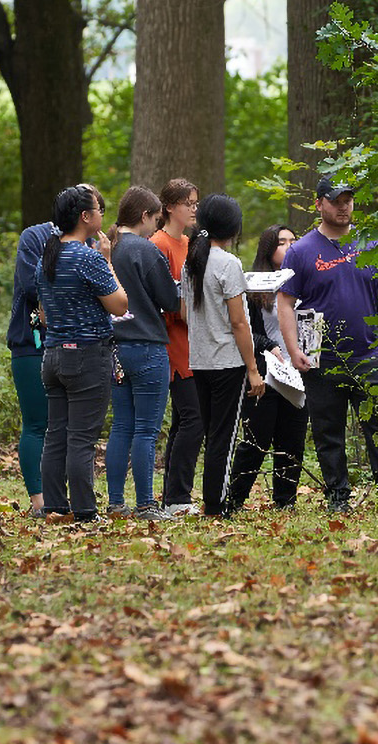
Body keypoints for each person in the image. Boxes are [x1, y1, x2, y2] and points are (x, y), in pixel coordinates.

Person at [277, 177, 378, 513]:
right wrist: (294, 350)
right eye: (336, 200)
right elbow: (285, 302)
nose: (343, 206)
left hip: (370, 355)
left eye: (348, 199)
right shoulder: (300, 251)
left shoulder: (371, 243)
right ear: (319, 203)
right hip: (323, 360)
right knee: (327, 433)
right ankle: (338, 496)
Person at [35, 184, 128, 522]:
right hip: (87, 355)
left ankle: (55, 507)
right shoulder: (88, 258)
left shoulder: (48, 255)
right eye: (98, 210)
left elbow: (43, 314)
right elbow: (119, 305)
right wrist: (106, 259)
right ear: (86, 217)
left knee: (56, 433)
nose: (103, 215)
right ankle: (86, 511)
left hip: (53, 354)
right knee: (82, 438)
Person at [177, 195, 266, 517]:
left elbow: (186, 312)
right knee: (224, 437)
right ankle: (216, 504)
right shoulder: (228, 263)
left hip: (199, 360)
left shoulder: (192, 261)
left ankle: (212, 498)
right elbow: (240, 322)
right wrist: (253, 369)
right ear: (233, 227)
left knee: (212, 433)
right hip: (227, 361)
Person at [106, 186, 180, 520]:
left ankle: (116, 502)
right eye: (155, 220)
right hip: (147, 345)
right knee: (146, 430)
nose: (156, 228)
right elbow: (169, 299)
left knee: (121, 425)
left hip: (115, 348)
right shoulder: (144, 250)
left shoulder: (108, 249)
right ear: (144, 216)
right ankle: (147, 504)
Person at [227, 224, 306, 513]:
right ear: (268, 248)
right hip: (264, 371)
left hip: (298, 373)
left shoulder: (304, 280)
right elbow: (244, 328)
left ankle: (285, 501)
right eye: (281, 242)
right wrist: (269, 345)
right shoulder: (253, 285)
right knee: (256, 440)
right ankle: (234, 500)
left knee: (293, 440)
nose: (288, 247)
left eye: (292, 241)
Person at [150, 179, 201, 519]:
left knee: (187, 419)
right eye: (188, 203)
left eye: (196, 203)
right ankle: (177, 495)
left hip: (196, 341)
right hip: (174, 342)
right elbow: (166, 299)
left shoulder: (190, 243)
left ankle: (174, 495)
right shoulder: (159, 244)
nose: (194, 209)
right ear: (170, 207)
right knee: (194, 419)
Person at [7, 216, 57, 515]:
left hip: (68, 345)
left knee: (61, 425)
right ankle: (39, 500)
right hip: (30, 344)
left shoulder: (93, 243)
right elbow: (29, 286)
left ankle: (60, 494)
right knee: (37, 423)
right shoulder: (34, 237)